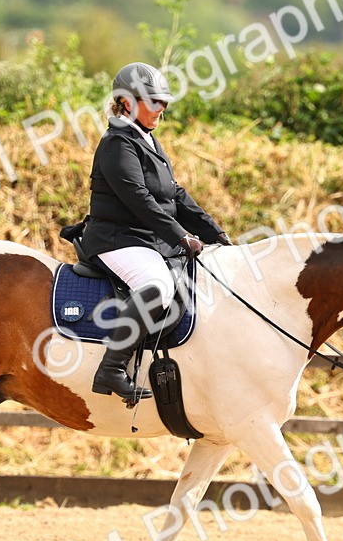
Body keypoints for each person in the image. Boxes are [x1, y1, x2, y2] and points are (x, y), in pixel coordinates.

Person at [81, 61, 231, 402]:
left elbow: (175, 195)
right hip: (117, 240)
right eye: (154, 102)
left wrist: (215, 233)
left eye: (164, 102)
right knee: (158, 287)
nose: (162, 108)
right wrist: (181, 236)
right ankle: (111, 369)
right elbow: (140, 199)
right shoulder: (118, 143)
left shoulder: (147, 140)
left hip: (146, 240)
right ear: (128, 103)